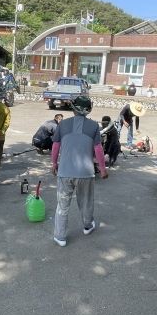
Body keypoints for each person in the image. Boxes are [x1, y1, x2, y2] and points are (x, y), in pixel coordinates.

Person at [51, 95, 108, 247]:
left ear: (73, 108)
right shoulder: (94, 126)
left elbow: (55, 146)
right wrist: (102, 169)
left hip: (65, 172)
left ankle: (60, 236)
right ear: (89, 110)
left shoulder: (62, 124)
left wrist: (54, 164)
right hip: (86, 173)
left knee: (62, 205)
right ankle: (88, 226)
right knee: (86, 202)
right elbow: (98, 149)